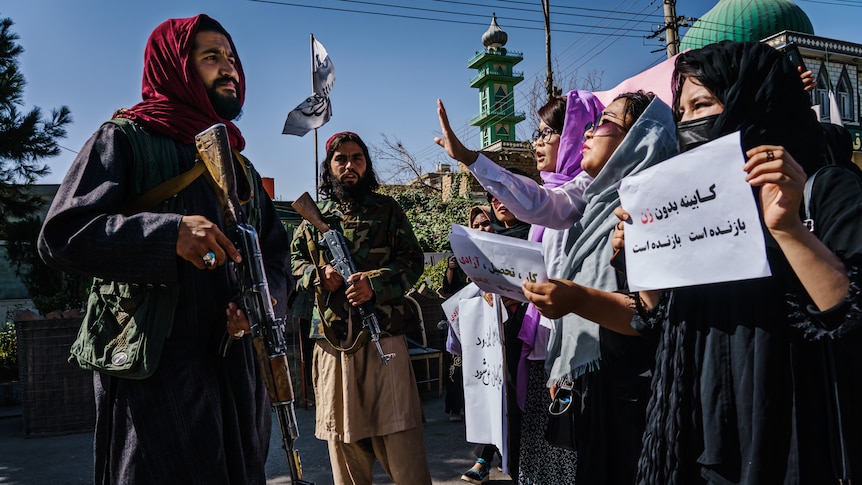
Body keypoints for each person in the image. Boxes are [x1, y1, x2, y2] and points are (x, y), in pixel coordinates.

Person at [37, 15, 289, 483]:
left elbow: (275, 252)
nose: (229, 68)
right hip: (155, 372)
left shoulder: (241, 167)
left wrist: (264, 302)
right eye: (211, 57)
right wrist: (167, 233)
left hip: (234, 372)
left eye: (232, 58)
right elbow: (61, 235)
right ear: (174, 65)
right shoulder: (125, 139)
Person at [612, 41, 862, 484]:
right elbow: (661, 322)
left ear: (755, 100)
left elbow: (853, 320)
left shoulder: (826, 191)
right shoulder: (691, 212)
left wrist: (788, 230)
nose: (687, 124)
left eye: (702, 105)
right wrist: (641, 253)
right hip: (701, 446)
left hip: (795, 448)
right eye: (681, 113)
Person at [289, 131, 432, 485]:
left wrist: (375, 284)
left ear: (366, 166)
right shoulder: (313, 217)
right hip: (332, 345)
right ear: (329, 167)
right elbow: (290, 264)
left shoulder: (388, 210)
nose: (349, 166)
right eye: (341, 159)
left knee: (402, 442)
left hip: (383, 338)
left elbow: (413, 263)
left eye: (357, 159)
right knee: (344, 446)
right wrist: (318, 274)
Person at [440, 205, 494, 423]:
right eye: (476, 225)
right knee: (458, 366)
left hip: (490, 320)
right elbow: (449, 289)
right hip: (464, 320)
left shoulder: (502, 248)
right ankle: (457, 408)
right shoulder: (465, 252)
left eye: (486, 223)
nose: (480, 228)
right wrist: (452, 268)